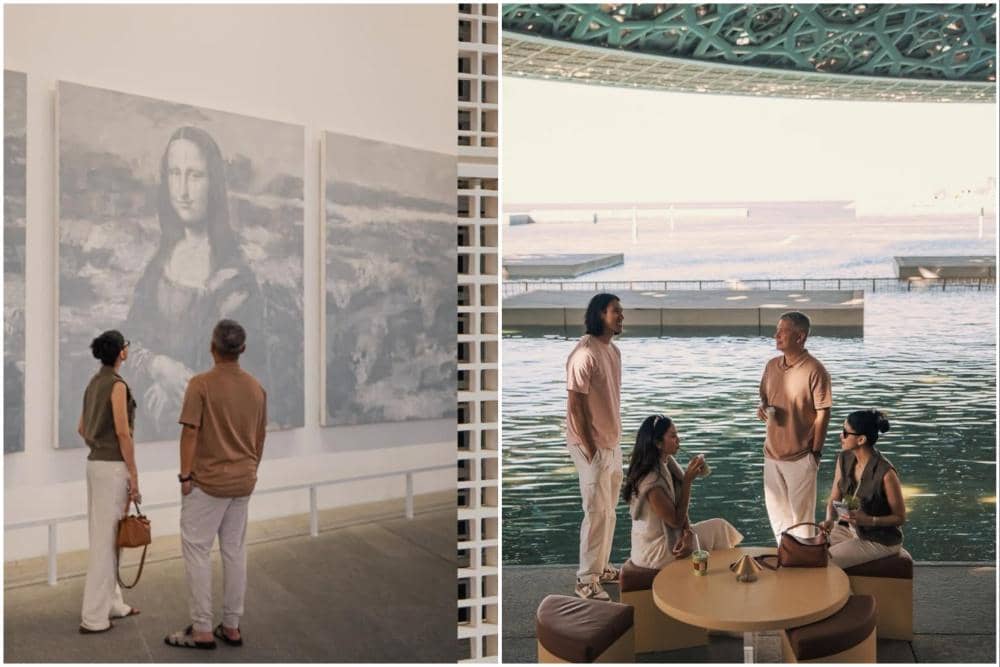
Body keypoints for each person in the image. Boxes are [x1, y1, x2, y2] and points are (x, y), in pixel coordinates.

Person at [126, 126, 261, 441]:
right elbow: (128, 342)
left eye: (195, 176)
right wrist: (158, 367)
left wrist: (184, 396)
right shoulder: (159, 264)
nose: (182, 190)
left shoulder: (234, 278)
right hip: (149, 431)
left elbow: (242, 379)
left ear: (213, 183)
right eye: (175, 173)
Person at [165, 319, 267, 650]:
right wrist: (251, 469)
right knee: (235, 551)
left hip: (207, 482)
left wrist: (184, 476)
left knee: (197, 551)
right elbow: (259, 438)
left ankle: (203, 628)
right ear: (243, 349)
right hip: (243, 481)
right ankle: (233, 625)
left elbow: (190, 432)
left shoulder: (200, 384)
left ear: (212, 347)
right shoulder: (255, 388)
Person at [78, 330, 141, 633]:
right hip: (113, 468)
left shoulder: (92, 383)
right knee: (105, 545)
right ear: (121, 352)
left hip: (95, 466)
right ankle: (93, 618)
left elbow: (81, 428)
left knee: (107, 538)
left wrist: (97, 442)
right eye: (126, 346)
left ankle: (113, 604)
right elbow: (123, 432)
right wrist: (134, 475)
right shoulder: (116, 386)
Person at [624, 415, 742, 569]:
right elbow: (675, 521)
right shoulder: (652, 481)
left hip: (668, 538)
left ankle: (719, 574)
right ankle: (723, 576)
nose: (678, 440)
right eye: (673, 436)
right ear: (658, 443)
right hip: (653, 551)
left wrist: (688, 533)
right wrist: (687, 482)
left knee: (720, 527)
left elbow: (679, 513)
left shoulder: (666, 463)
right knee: (719, 530)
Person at [566, 293, 624, 601]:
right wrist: (590, 448)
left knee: (609, 512)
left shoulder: (612, 351)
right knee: (595, 512)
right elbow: (576, 403)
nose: (621, 316)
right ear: (600, 315)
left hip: (611, 443)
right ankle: (586, 580)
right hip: (592, 446)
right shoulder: (584, 353)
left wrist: (611, 442)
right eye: (616, 311)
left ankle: (600, 568)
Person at [757, 311, 831, 543]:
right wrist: (762, 409)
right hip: (771, 455)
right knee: (778, 522)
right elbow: (764, 401)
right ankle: (787, 561)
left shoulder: (815, 370)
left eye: (782, 331)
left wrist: (815, 454)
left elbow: (823, 413)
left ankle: (806, 568)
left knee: (802, 523)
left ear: (800, 337)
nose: (775, 335)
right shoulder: (771, 366)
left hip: (801, 458)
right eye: (777, 330)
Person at [820, 410, 905, 568]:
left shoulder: (886, 473)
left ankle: (844, 593)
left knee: (825, 561)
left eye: (845, 433)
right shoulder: (844, 458)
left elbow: (900, 517)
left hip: (878, 539)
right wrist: (829, 520)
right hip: (850, 528)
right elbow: (834, 498)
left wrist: (869, 520)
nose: (841, 436)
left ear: (861, 439)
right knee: (810, 548)